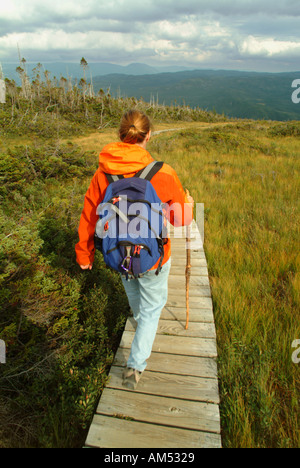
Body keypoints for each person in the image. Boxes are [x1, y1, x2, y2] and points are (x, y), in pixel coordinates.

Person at [75, 110, 194, 389]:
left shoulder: (102, 174)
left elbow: (89, 216)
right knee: (153, 308)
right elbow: (182, 219)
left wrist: (84, 253)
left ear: (120, 135)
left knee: (138, 301)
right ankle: (135, 366)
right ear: (148, 135)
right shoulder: (163, 172)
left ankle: (141, 326)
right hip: (154, 257)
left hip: (117, 254)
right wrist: (186, 202)